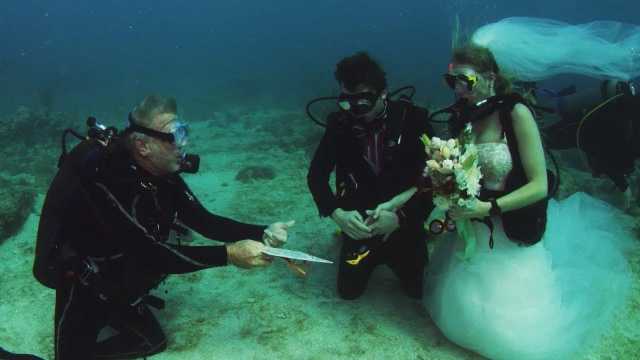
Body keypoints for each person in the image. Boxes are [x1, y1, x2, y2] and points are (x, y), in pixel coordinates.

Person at [374, 44, 635, 359]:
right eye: (451, 81)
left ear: (489, 77)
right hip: (475, 230)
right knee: (461, 312)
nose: (457, 89)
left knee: (514, 337)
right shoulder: (464, 119)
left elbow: (539, 185)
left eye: (465, 81)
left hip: (509, 228)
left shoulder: (516, 113)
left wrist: (489, 208)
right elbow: (441, 174)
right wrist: (398, 201)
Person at [34, 95, 294, 359]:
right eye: (175, 135)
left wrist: (262, 231)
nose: (184, 144)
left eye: (184, 131)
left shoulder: (162, 174)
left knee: (152, 343)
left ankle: (111, 310)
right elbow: (151, 253)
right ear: (143, 146)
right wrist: (229, 254)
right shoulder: (108, 180)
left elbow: (205, 222)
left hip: (120, 274)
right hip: (82, 280)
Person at [307, 52, 434, 300]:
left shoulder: (413, 120)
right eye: (346, 100)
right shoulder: (339, 124)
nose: (354, 109)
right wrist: (337, 213)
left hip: (404, 223)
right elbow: (316, 175)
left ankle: (412, 242)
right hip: (360, 224)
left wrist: (401, 219)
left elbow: (433, 180)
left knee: (418, 291)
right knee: (348, 292)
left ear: (383, 92)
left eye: (363, 100)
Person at [539, 78, 640, 208]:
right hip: (581, 128)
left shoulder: (630, 122)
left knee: (547, 137)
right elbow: (598, 147)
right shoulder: (626, 124)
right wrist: (623, 186)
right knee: (544, 138)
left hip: (588, 131)